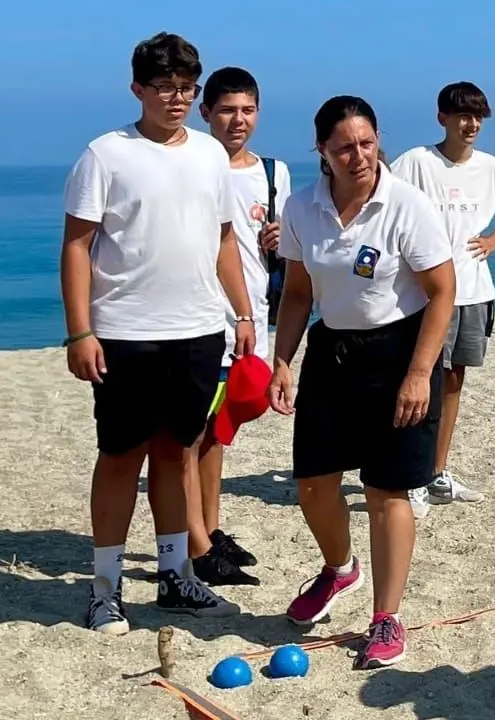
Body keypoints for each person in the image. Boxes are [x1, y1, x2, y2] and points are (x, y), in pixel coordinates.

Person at [61, 32, 251, 634]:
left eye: (186, 88)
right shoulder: (105, 154)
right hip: (124, 333)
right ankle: (105, 589)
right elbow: (76, 244)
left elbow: (224, 239)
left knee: (177, 452)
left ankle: (175, 576)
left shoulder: (209, 155)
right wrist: (79, 332)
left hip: (197, 330)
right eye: (165, 87)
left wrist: (242, 313)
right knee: (120, 457)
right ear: (138, 88)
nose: (176, 99)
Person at [268, 96, 455, 669]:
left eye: (368, 144)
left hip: (400, 350)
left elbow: (442, 291)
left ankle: (386, 617)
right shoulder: (302, 208)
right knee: (313, 484)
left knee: (386, 491)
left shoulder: (406, 205)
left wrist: (420, 374)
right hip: (333, 349)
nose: (359, 157)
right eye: (345, 146)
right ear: (322, 151)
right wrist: (283, 360)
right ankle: (339, 569)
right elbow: (298, 292)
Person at [389, 82, 495, 514]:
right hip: (426, 294)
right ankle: (409, 475)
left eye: (477, 117)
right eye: (462, 115)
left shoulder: (488, 166)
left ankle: (437, 472)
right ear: (441, 118)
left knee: (452, 383)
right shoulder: (416, 162)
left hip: (475, 289)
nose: (470, 124)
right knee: (417, 382)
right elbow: (384, 201)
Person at [187, 66, 293, 586]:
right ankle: (198, 542)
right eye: (227, 109)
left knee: (219, 432)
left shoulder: (273, 173)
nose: (237, 120)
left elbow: (282, 252)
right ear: (205, 112)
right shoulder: (194, 165)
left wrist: (281, 242)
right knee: (196, 429)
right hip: (204, 316)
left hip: (252, 315)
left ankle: (211, 526)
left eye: (247, 109)